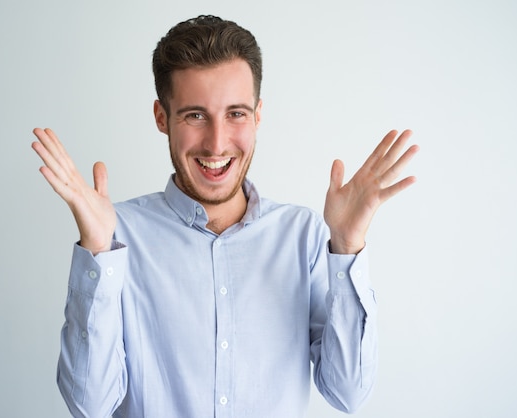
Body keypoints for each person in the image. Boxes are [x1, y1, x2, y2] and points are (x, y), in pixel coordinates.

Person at [31, 15, 418, 418]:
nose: (217, 144)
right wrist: (97, 251)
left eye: (236, 114)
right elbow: (87, 405)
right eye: (195, 115)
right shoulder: (116, 236)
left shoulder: (302, 235)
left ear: (258, 114)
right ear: (162, 117)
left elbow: (348, 393)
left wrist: (348, 247)